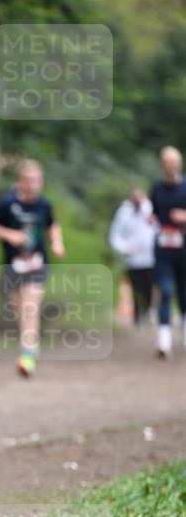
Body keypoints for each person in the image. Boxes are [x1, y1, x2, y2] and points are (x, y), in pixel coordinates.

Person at [0, 159, 65, 377]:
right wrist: (10, 234)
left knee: (30, 306)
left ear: (41, 182)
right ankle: (31, 342)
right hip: (13, 265)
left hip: (37, 263)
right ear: (19, 181)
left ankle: (27, 355)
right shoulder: (6, 203)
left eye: (36, 180)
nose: (32, 184)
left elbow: (52, 225)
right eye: (28, 180)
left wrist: (57, 242)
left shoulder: (44, 205)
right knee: (19, 310)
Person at [149, 146, 186, 358]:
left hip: (184, 247)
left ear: (180, 164)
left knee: (183, 292)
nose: (171, 166)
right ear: (162, 165)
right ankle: (164, 340)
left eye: (174, 162)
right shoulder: (157, 188)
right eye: (167, 163)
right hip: (163, 247)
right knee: (165, 289)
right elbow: (154, 212)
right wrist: (152, 218)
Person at [108, 188, 155, 325]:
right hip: (132, 259)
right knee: (135, 287)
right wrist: (124, 248)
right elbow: (115, 235)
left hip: (151, 258)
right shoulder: (124, 212)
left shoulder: (151, 209)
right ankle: (137, 314)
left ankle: (148, 310)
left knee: (149, 287)